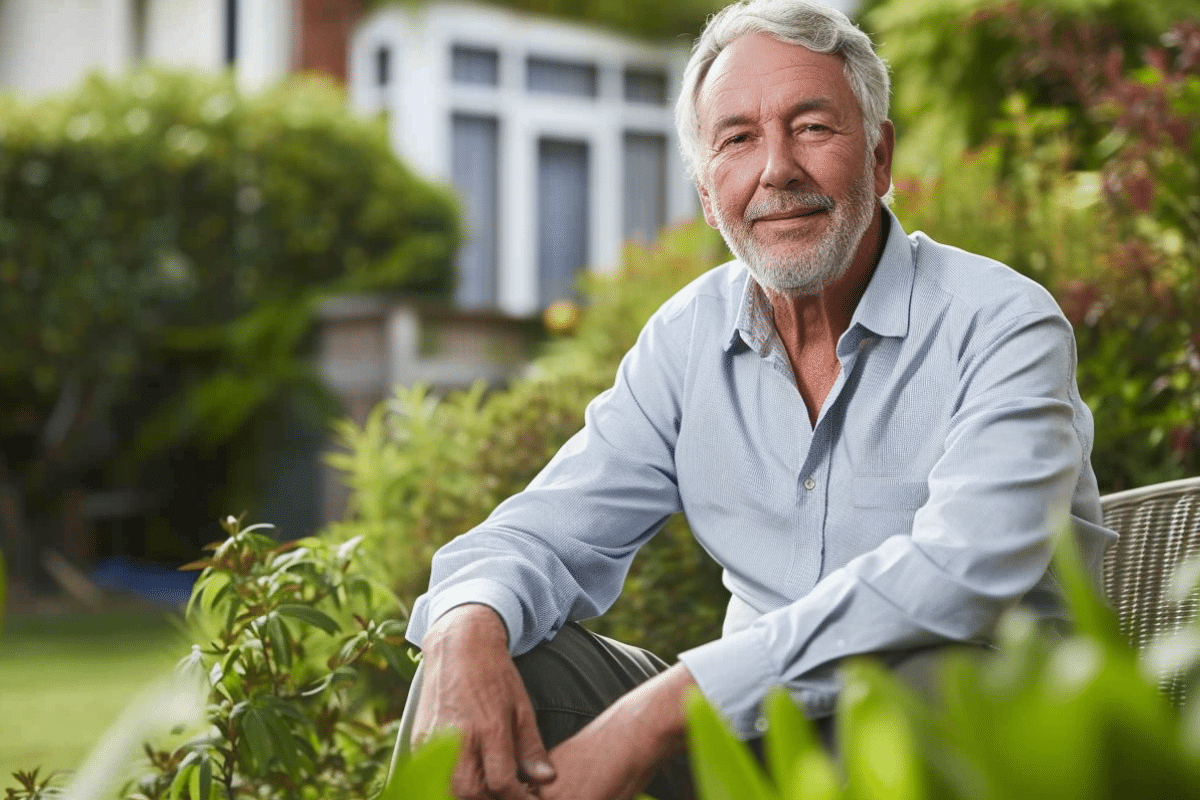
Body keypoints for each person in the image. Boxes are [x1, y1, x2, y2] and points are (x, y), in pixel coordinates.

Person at [397, 1, 1116, 798]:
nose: (777, 169)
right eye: (737, 140)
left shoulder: (1002, 322)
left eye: (812, 127)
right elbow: (546, 532)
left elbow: (963, 572)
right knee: (484, 670)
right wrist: (466, 622)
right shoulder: (687, 338)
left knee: (928, 675)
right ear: (708, 194)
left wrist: (659, 712)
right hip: (752, 747)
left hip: (971, 745)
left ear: (879, 159)